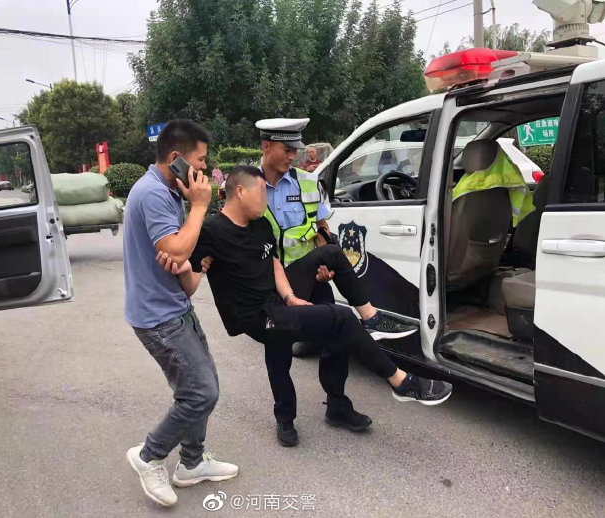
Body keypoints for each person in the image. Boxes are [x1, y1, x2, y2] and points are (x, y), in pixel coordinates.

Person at [160, 166, 452, 448]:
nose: (266, 200)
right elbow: (192, 283)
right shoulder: (211, 231)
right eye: (261, 193)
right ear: (239, 191)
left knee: (331, 253)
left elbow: (273, 263)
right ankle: (400, 382)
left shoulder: (261, 224)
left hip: (277, 299)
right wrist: (184, 270)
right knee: (332, 321)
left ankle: (371, 318)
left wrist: (290, 297)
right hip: (257, 316)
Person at [255, 118, 421, 445]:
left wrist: (325, 267)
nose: (293, 156)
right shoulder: (246, 185)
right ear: (266, 147)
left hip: (313, 277)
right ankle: (285, 417)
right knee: (278, 353)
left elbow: (321, 230)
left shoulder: (307, 182)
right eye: (286, 150)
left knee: (337, 340)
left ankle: (338, 405)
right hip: (272, 285)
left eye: (296, 150)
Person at [123, 119, 238, 508]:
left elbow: (181, 264)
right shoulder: (153, 193)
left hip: (175, 307)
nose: (204, 169)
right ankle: (149, 456)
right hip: (159, 318)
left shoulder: (170, 193)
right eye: (200, 161)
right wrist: (200, 207)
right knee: (200, 393)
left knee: (201, 388)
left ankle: (191, 462)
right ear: (176, 158)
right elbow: (175, 249)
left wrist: (188, 262)